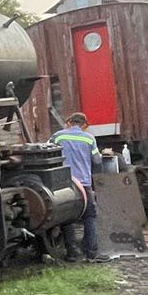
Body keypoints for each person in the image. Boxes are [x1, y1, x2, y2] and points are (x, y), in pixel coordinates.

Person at [51, 112, 102, 262]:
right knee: (90, 217)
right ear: (84, 125)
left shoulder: (58, 136)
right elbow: (97, 160)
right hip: (84, 185)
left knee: (67, 219)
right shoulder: (89, 138)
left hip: (65, 184)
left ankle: (72, 253)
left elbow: (46, 152)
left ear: (69, 121)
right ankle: (91, 253)